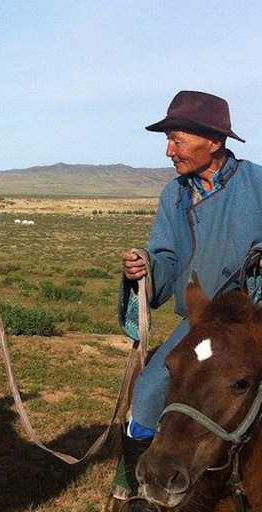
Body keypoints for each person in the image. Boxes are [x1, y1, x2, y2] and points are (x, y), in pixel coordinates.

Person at [112, 91, 260, 510]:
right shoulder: (173, 195)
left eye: (177, 139)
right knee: (151, 386)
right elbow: (167, 257)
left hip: (255, 317)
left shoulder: (259, 184)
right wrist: (144, 265)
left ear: (213, 141)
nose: (169, 150)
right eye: (169, 140)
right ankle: (136, 485)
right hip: (202, 318)